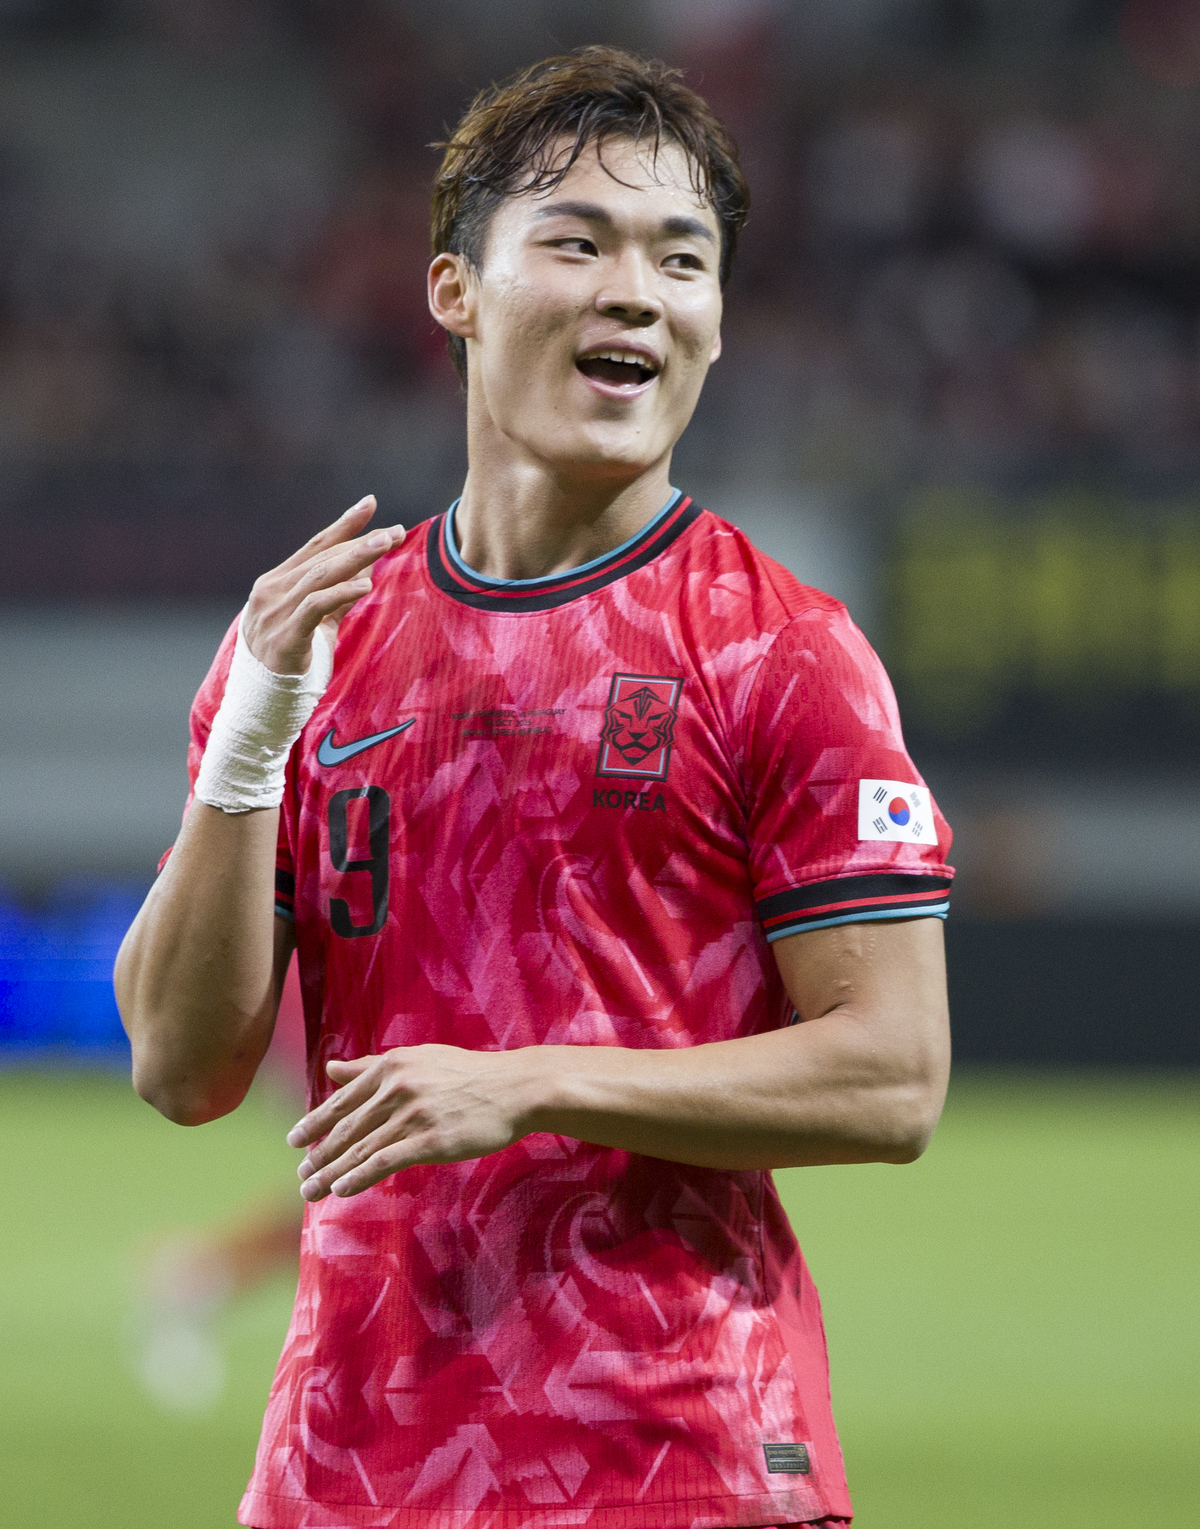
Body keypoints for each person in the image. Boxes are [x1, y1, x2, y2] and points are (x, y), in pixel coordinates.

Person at [115, 47, 953, 1529]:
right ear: (454, 290)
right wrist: (248, 742)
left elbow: (893, 1074)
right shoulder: (316, 643)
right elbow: (183, 1068)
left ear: (715, 322)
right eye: (579, 242)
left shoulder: (780, 651)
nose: (639, 292)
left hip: (679, 1466)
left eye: (682, 260)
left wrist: (527, 1080)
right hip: (345, 1474)